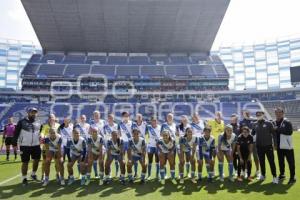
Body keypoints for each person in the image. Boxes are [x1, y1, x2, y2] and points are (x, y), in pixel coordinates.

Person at [13, 107, 42, 186]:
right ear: (28, 113)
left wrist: (41, 137)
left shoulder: (39, 122)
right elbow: (15, 134)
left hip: (36, 145)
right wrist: (14, 144)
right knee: (25, 162)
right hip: (24, 145)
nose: (34, 114)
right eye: (32, 112)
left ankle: (33, 174)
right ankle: (24, 178)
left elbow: (40, 132)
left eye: (35, 112)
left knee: (37, 160)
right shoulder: (21, 122)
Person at [251, 110, 278, 184]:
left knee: (271, 162)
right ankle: (263, 175)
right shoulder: (254, 124)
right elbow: (252, 134)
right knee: (262, 161)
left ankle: (275, 177)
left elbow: (274, 134)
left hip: (268, 146)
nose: (258, 115)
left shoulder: (269, 123)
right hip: (259, 146)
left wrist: (275, 144)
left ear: (263, 114)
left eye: (260, 114)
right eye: (257, 114)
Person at [274, 107, 296, 184]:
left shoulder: (287, 121)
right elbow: (274, 134)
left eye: (280, 112)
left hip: (287, 146)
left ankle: (293, 177)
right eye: (276, 113)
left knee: (291, 162)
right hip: (279, 146)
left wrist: (278, 129)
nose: (278, 114)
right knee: (281, 162)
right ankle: (282, 174)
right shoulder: (274, 122)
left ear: (283, 113)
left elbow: (290, 132)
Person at [40, 114, 60, 182]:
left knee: (57, 162)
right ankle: (43, 175)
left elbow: (60, 134)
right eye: (50, 117)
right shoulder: (45, 126)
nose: (51, 118)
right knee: (45, 162)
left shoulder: (58, 125)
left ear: (55, 118)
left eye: (52, 117)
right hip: (47, 147)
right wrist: (42, 137)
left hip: (56, 147)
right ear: (48, 119)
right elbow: (42, 133)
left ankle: (58, 174)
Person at [240, 110, 260, 177]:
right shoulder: (241, 122)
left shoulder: (254, 120)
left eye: (247, 113)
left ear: (249, 113)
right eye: (245, 113)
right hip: (245, 143)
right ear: (242, 114)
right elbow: (241, 132)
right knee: (246, 157)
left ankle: (258, 171)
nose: (246, 114)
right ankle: (246, 171)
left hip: (254, 141)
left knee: (255, 156)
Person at [90, 111, 105, 179]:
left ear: (100, 115)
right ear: (93, 116)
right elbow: (89, 132)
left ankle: (105, 173)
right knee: (94, 159)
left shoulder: (104, 122)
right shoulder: (91, 123)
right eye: (95, 115)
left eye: (97, 115)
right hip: (95, 142)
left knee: (102, 159)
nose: (96, 116)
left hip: (103, 142)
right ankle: (96, 173)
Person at [133, 113, 147, 178]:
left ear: (141, 118)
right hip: (135, 143)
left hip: (142, 144)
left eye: (140, 117)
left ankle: (143, 174)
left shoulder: (145, 124)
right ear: (136, 118)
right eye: (137, 117)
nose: (138, 118)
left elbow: (148, 132)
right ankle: (135, 173)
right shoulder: (133, 124)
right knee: (135, 159)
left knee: (142, 159)